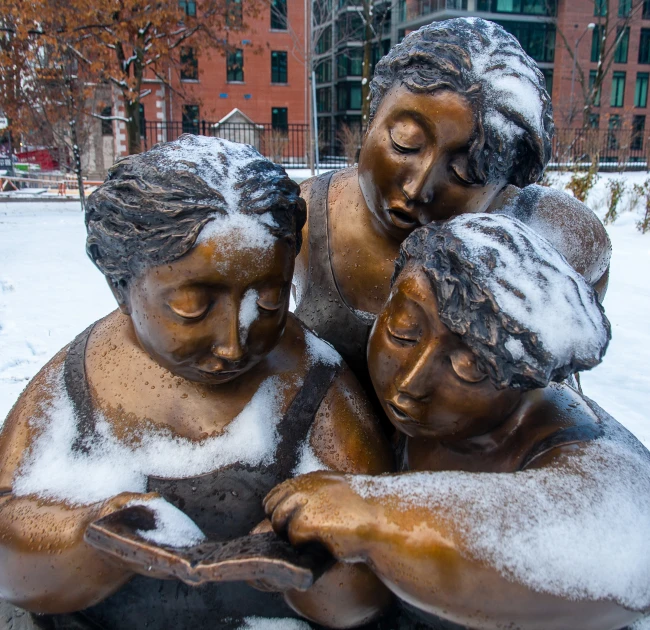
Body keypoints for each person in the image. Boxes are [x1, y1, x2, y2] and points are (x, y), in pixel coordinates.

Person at [0, 135, 393, 630]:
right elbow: (9, 534)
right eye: (192, 308)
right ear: (121, 285)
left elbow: (374, 570)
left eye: (268, 303)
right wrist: (93, 540)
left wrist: (314, 565)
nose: (233, 344)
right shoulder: (79, 381)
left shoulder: (310, 379)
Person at [266, 214, 650, 630]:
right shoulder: (380, 400)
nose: (410, 382)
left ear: (524, 382)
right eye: (404, 332)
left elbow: (624, 549)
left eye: (467, 369)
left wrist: (374, 515)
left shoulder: (574, 438)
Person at [294, 17, 611, 385]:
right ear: (373, 116)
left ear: (504, 187)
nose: (417, 188)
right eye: (404, 143)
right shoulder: (307, 216)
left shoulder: (538, 237)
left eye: (464, 174)